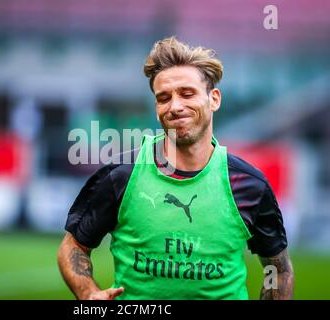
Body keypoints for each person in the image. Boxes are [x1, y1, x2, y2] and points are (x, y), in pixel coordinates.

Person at [57, 36, 294, 300]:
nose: (175, 106)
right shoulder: (120, 175)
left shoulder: (249, 185)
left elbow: (279, 268)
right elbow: (73, 246)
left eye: (187, 93)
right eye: (164, 98)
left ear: (214, 99)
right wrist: (88, 293)